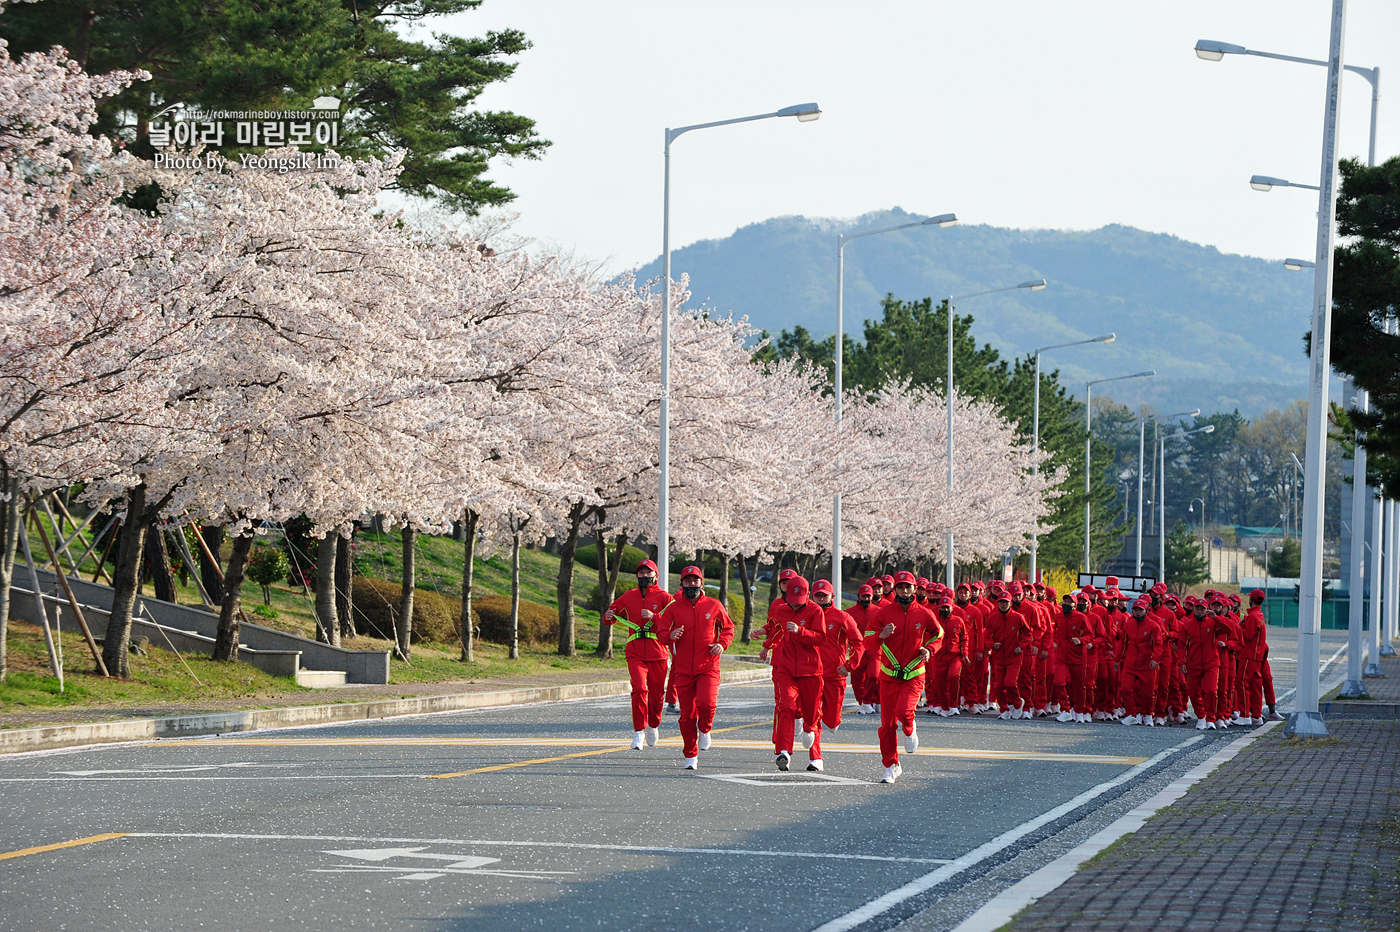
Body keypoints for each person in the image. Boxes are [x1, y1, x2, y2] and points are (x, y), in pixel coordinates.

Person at [654, 565, 734, 770]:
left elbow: (728, 628)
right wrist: (670, 636)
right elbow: (661, 633)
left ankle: (705, 730)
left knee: (707, 705)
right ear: (681, 584)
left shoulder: (713, 605)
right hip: (683, 669)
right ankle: (690, 754)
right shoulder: (673, 608)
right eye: (687, 581)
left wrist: (721, 644)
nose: (692, 584)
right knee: (687, 715)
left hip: (708, 666)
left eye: (695, 580)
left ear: (701, 582)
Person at [874, 571, 941, 783]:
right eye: (900, 587)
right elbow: (867, 636)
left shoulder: (923, 613)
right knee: (887, 725)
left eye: (908, 587)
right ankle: (891, 766)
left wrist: (929, 649)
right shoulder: (884, 613)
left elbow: (938, 634)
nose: (904, 591)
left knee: (904, 711)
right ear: (895, 589)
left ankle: (910, 729)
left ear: (914, 589)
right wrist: (880, 635)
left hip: (913, 674)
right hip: (888, 676)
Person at [603, 559, 675, 750]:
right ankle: (638, 732)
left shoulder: (665, 598)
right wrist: (608, 617)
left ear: (656, 576)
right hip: (635, 651)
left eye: (648, 573)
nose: (644, 576)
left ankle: (653, 725)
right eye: (641, 573)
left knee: (657, 694)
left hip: (658, 652)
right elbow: (612, 611)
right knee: (639, 689)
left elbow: (675, 622)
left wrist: (655, 617)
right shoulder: (629, 596)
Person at [764, 575, 827, 772]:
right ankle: (783, 751)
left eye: (799, 602)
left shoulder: (815, 610)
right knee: (786, 706)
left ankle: (816, 757)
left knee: (812, 716)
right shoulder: (781, 610)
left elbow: (821, 638)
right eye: (792, 600)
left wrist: (801, 631)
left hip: (810, 670)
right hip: (787, 668)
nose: (795, 605)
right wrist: (766, 644)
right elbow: (777, 630)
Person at [813, 579, 864, 736]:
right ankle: (814, 747)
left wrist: (849, 665)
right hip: (810, 673)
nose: (821, 598)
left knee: (831, 720)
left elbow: (858, 643)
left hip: (835, 674)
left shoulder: (842, 617)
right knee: (810, 713)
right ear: (811, 597)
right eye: (818, 595)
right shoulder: (806, 616)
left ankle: (834, 720)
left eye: (824, 595)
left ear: (832, 596)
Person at [1178, 597, 1226, 730]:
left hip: (1211, 662)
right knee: (1192, 692)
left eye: (1202, 609)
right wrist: (1181, 662)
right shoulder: (1187, 625)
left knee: (1210, 691)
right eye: (1197, 609)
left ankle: (1211, 718)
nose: (1199, 611)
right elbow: (1181, 645)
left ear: (1206, 610)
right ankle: (1201, 716)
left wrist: (1216, 618)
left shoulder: (1212, 622)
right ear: (1194, 609)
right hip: (1193, 663)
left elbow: (1228, 629)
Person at [984, 586, 1029, 719]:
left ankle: (1017, 703)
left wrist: (1021, 646)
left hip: (1014, 656)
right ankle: (1004, 710)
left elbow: (1028, 633)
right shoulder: (992, 618)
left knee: (1010, 683)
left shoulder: (1018, 617)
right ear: (997, 603)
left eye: (1006, 602)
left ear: (1010, 603)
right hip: (998, 657)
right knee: (998, 686)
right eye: (1001, 602)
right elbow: (986, 636)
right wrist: (992, 645)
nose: (1003, 604)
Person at [1118, 596, 1161, 726]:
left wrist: (1155, 659)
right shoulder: (1128, 624)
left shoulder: (1153, 626)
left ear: (1146, 611)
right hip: (1130, 663)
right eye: (1135, 609)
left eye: (1140, 610)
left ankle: (1148, 714)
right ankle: (1132, 714)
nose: (1137, 612)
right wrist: (1117, 659)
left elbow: (1158, 645)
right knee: (1125, 689)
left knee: (1148, 693)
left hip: (1146, 663)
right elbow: (1123, 643)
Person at [1055, 592, 1094, 723]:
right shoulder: (1058, 617)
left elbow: (1090, 635)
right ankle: (1065, 710)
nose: (1066, 604)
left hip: (1078, 656)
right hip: (1062, 656)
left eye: (1069, 602)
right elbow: (1055, 631)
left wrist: (1081, 640)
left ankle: (1079, 711)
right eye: (1064, 602)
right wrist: (1055, 642)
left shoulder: (1081, 618)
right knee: (1059, 682)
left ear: (1075, 605)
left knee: (1079, 686)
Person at [928, 597, 969, 716]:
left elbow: (964, 638)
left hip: (954, 656)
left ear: (952, 608)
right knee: (939, 682)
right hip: (938, 656)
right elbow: (928, 636)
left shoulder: (958, 621)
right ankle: (945, 707)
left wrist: (965, 653)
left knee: (954, 676)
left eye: (947, 607)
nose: (945, 609)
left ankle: (954, 705)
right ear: (939, 608)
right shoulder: (935, 621)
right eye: (943, 607)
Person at [848, 584, 881, 713]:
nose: (866, 599)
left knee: (874, 676)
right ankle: (863, 703)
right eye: (864, 596)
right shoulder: (850, 613)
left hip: (874, 649)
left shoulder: (879, 611)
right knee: (856, 682)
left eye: (869, 596)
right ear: (858, 596)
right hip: (857, 651)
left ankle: (868, 701)